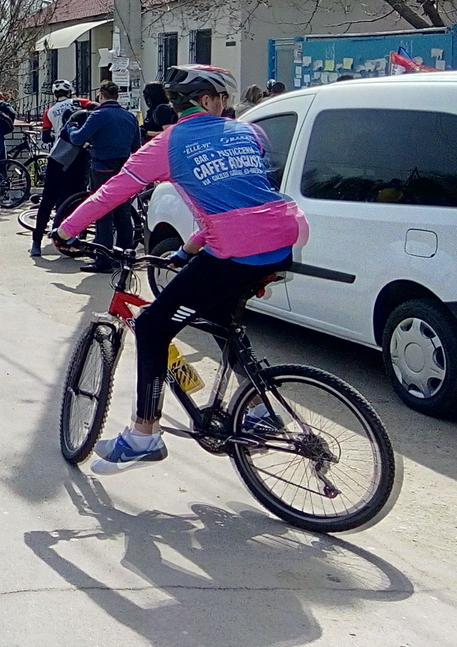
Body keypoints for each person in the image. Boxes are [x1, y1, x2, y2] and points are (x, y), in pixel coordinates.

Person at [54, 64, 306, 474]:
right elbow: (238, 200)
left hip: (237, 251)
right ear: (209, 100)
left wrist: (66, 229)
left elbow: (114, 190)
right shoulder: (250, 134)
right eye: (222, 99)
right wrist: (190, 248)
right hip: (281, 240)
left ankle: (143, 434)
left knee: (153, 324)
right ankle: (260, 408)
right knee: (220, 315)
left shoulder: (168, 145)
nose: (225, 107)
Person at [65, 81, 142, 271]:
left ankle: (104, 259)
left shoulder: (98, 115)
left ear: (100, 95)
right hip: (124, 169)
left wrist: (71, 127)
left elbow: (77, 138)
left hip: (102, 168)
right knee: (123, 214)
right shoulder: (129, 117)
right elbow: (136, 147)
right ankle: (124, 257)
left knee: (103, 213)